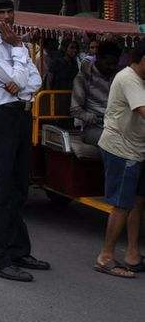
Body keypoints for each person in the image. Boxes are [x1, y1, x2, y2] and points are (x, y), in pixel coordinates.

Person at [0, 0, 47, 282]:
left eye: (9, 12)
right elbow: (18, 84)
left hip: (21, 116)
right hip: (2, 119)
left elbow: (36, 82)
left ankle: (18, 251)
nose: (6, 18)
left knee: (19, 187)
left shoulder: (18, 45)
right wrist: (19, 50)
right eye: (0, 13)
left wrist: (19, 54)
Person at [94, 42, 145, 278]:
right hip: (121, 149)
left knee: (137, 200)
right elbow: (142, 109)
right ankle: (105, 257)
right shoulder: (128, 78)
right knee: (122, 205)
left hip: (138, 148)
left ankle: (132, 255)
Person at [73, 41, 121, 145]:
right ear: (98, 58)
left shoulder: (119, 76)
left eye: (114, 64)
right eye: (108, 64)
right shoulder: (83, 78)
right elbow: (75, 110)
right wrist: (93, 117)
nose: (112, 67)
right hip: (94, 128)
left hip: (119, 126)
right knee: (113, 142)